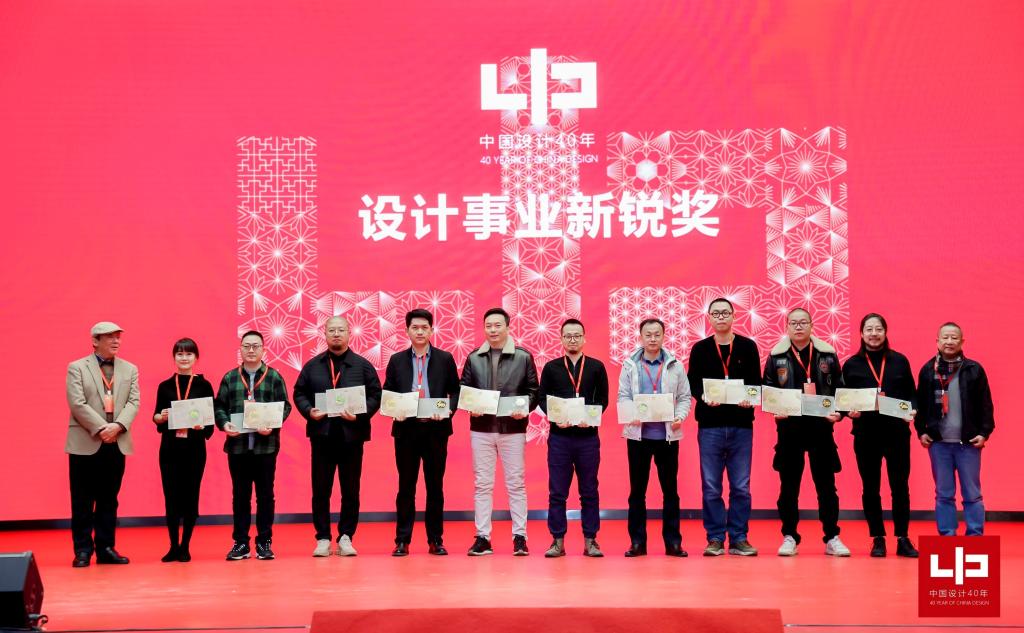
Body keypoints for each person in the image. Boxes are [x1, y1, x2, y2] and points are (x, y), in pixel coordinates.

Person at [763, 308, 850, 557]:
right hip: (789, 430)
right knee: (789, 487)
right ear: (787, 326)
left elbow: (840, 389)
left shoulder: (827, 354)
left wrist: (840, 413)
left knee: (827, 486)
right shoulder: (776, 356)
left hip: (821, 429)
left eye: (803, 322)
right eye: (794, 323)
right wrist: (774, 409)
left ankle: (832, 536)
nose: (798, 326)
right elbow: (767, 388)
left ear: (812, 325)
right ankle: (789, 536)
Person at [293, 315, 382, 557]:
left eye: (341, 330)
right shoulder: (313, 366)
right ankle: (322, 537)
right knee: (321, 490)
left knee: (350, 490)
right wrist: (309, 411)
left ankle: (346, 536)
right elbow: (299, 392)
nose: (336, 334)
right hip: (322, 436)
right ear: (324, 334)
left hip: (351, 437)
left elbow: (376, 395)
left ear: (349, 334)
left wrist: (360, 414)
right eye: (331, 330)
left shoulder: (363, 365)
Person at [381, 309, 461, 556]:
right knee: (406, 486)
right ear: (407, 331)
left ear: (431, 330)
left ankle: (435, 539)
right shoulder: (396, 360)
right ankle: (402, 540)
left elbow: (456, 391)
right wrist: (394, 410)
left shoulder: (445, 358)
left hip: (436, 430)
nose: (419, 331)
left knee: (435, 486)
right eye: (415, 327)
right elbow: (388, 392)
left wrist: (447, 411)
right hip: (406, 430)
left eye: (424, 327)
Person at [460, 307, 539, 556]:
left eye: (497, 325)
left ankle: (520, 537)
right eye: (488, 326)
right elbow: (464, 389)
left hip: (512, 429)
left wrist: (524, 408)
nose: (493, 330)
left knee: (516, 484)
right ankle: (482, 537)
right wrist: (469, 406)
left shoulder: (523, 357)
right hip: (481, 429)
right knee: (482, 484)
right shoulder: (474, 357)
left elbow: (533, 391)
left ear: (508, 327)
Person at [686, 298, 761, 557]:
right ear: (709, 317)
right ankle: (715, 537)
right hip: (710, 426)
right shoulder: (700, 348)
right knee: (711, 486)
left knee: (741, 486)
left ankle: (739, 537)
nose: (721, 317)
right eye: (716, 313)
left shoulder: (748, 347)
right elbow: (693, 382)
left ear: (733, 316)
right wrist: (703, 396)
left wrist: (749, 398)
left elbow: (755, 382)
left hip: (741, 425)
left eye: (725, 313)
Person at [841, 313, 919, 557]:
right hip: (866, 435)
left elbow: (912, 393)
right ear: (861, 333)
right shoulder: (852, 364)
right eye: (869, 329)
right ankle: (877, 538)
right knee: (870, 487)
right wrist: (848, 411)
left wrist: (913, 409)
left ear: (885, 332)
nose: (873, 334)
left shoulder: (899, 361)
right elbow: (842, 398)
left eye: (878, 329)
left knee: (900, 486)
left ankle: (903, 538)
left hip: (897, 434)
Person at [66, 321, 139, 567]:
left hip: (116, 442)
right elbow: (77, 403)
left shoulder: (130, 369)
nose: (116, 341)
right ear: (95, 341)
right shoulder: (77, 367)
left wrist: (117, 426)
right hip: (85, 442)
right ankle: (83, 550)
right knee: (82, 499)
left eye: (118, 337)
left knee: (109, 498)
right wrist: (102, 428)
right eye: (109, 337)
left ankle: (106, 548)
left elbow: (133, 402)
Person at [214, 330, 291, 561]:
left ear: (263, 349)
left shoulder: (274, 376)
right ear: (240, 349)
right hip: (237, 447)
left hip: (265, 447)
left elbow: (285, 406)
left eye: (255, 346)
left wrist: (272, 425)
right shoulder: (230, 377)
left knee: (265, 496)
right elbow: (219, 406)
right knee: (240, 496)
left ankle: (264, 542)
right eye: (246, 346)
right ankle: (240, 543)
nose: (250, 350)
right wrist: (224, 423)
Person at [618, 318, 691, 558]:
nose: (652, 339)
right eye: (648, 334)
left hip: (668, 436)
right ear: (640, 337)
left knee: (670, 491)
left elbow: (684, 397)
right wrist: (631, 414)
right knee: (637, 492)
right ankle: (637, 542)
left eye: (657, 334)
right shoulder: (630, 365)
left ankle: (673, 542)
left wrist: (680, 416)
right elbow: (623, 396)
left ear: (663, 336)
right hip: (638, 437)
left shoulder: (675, 365)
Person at [538, 318, 609, 558]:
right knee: (557, 492)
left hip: (588, 438)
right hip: (560, 438)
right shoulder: (551, 368)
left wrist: (591, 417)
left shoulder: (596, 367)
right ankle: (557, 541)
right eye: (568, 336)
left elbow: (603, 400)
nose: (572, 340)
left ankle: (591, 540)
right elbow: (542, 399)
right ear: (561, 339)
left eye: (577, 335)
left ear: (584, 338)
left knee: (589, 490)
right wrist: (555, 417)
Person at [915, 322, 994, 536]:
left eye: (954, 338)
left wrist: (984, 433)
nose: (949, 341)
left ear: (962, 342)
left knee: (973, 494)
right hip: (939, 444)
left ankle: (975, 536)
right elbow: (919, 404)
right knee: (944, 494)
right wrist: (921, 431)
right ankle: (947, 537)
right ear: (937, 341)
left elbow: (986, 404)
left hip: (968, 444)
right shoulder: (927, 370)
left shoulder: (974, 369)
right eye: (945, 337)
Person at [151, 338, 215, 562]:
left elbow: (210, 421)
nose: (184, 358)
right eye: (180, 354)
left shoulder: (204, 386)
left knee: (190, 496)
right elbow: (156, 417)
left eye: (189, 354)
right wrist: (161, 417)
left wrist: (202, 425)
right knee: (171, 497)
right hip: (170, 449)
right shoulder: (165, 386)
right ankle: (173, 546)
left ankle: (185, 545)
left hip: (194, 450)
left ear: (196, 358)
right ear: (174, 357)